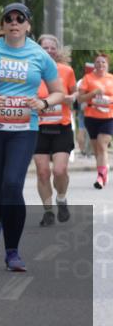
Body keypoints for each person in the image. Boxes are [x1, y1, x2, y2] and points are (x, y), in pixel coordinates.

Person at [0, 3, 63, 272]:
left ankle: (13, 252)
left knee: (13, 186)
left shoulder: (40, 56)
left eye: (20, 19)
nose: (14, 23)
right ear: (2, 24)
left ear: (28, 25)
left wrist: (42, 104)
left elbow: (58, 92)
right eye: (9, 19)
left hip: (23, 130)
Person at [33, 34, 78, 224]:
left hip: (61, 126)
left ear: (57, 50)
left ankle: (61, 198)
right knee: (43, 172)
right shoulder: (32, 71)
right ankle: (48, 211)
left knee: (60, 170)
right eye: (45, 47)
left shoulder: (66, 71)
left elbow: (75, 92)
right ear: (39, 49)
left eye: (52, 47)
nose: (49, 50)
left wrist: (71, 98)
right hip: (37, 128)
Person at [78, 52, 113, 189]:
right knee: (97, 150)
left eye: (103, 62)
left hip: (108, 117)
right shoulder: (88, 78)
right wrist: (93, 93)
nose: (100, 65)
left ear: (107, 65)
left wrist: (109, 100)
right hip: (91, 117)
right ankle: (104, 169)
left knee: (102, 145)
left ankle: (100, 177)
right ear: (94, 65)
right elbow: (80, 99)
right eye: (98, 62)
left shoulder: (111, 79)